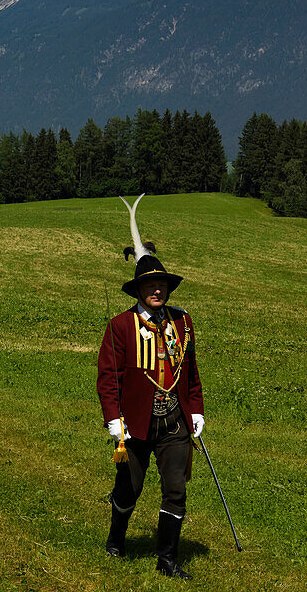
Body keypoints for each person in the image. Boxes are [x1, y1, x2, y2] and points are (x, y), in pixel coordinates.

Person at [96, 196, 205, 580]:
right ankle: (116, 536)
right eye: (150, 285)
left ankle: (167, 559)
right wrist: (114, 419)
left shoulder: (183, 322)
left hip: (174, 422)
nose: (157, 290)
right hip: (135, 425)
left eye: (161, 284)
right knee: (130, 489)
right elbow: (108, 377)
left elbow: (190, 372)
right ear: (139, 289)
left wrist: (196, 410)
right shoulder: (120, 326)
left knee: (175, 490)